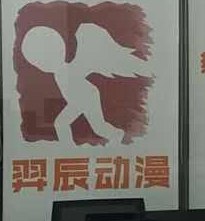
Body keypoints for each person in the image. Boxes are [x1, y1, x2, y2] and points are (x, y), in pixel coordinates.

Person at [21, 24, 151, 145]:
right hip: (80, 99)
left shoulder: (68, 70)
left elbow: (77, 88)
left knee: (93, 127)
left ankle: (120, 138)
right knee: (75, 125)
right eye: (39, 62)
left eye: (41, 61)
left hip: (87, 97)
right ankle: (71, 148)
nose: (42, 65)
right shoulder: (61, 73)